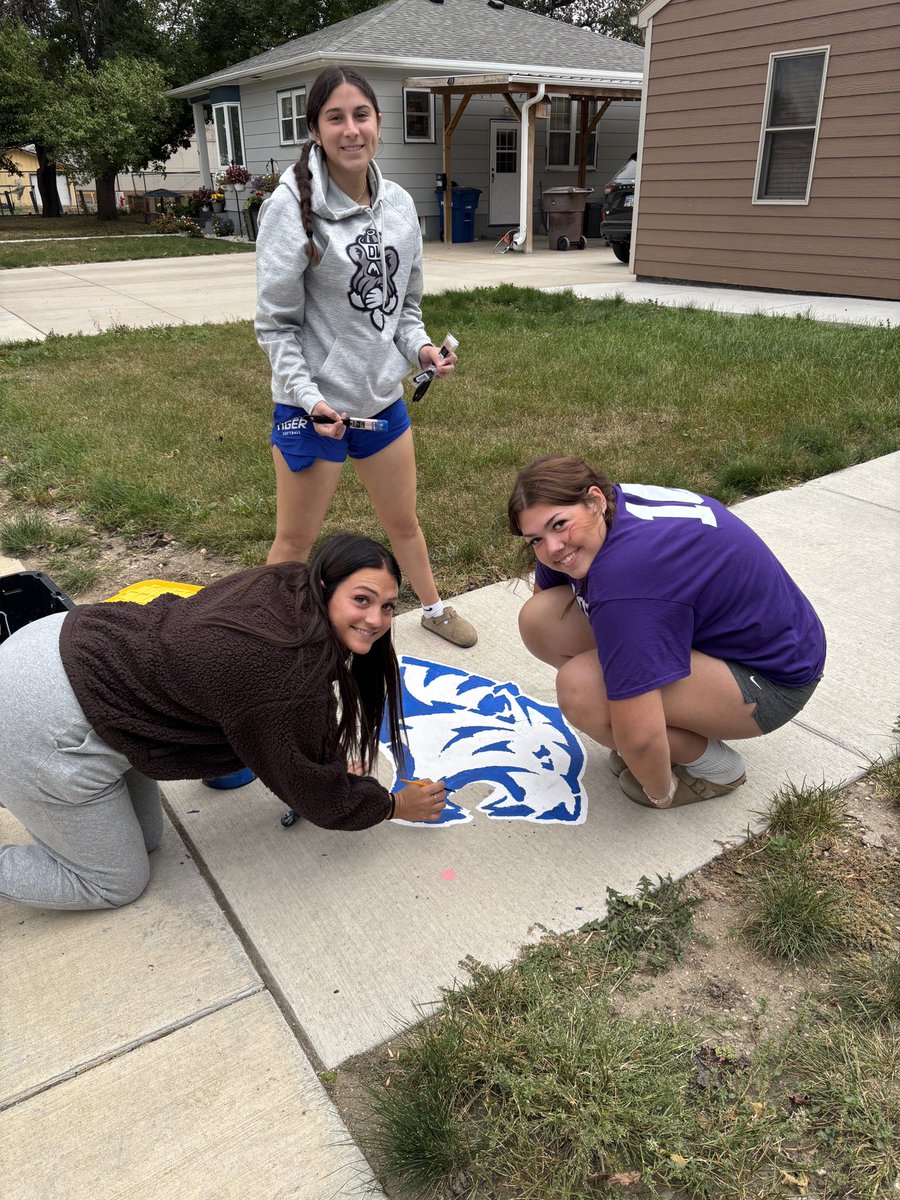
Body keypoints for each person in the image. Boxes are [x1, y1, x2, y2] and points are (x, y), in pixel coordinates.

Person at [0, 535, 447, 911]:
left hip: (64, 645)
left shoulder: (288, 582)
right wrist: (393, 806)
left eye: (388, 607)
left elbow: (283, 716)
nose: (376, 620)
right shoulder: (286, 672)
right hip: (40, 723)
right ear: (327, 585)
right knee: (116, 883)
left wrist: (322, 757)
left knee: (149, 841)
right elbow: (317, 796)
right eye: (362, 600)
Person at [255, 64, 476, 649]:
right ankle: (266, 639)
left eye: (361, 115)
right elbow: (276, 327)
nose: (351, 130)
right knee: (294, 544)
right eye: (335, 118)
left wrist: (423, 350)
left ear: (379, 123)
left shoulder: (401, 206)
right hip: (314, 412)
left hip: (381, 403)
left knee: (403, 522)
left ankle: (432, 608)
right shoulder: (289, 209)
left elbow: (404, 310)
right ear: (314, 129)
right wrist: (310, 399)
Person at [507, 457, 826, 810]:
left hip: (771, 682)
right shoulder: (605, 515)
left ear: (595, 500)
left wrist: (659, 789)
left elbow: (640, 739)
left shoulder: (627, 580)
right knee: (541, 619)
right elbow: (549, 604)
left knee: (583, 690)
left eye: (559, 525)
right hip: (730, 639)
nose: (552, 548)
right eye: (536, 539)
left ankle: (717, 769)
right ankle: (671, 725)